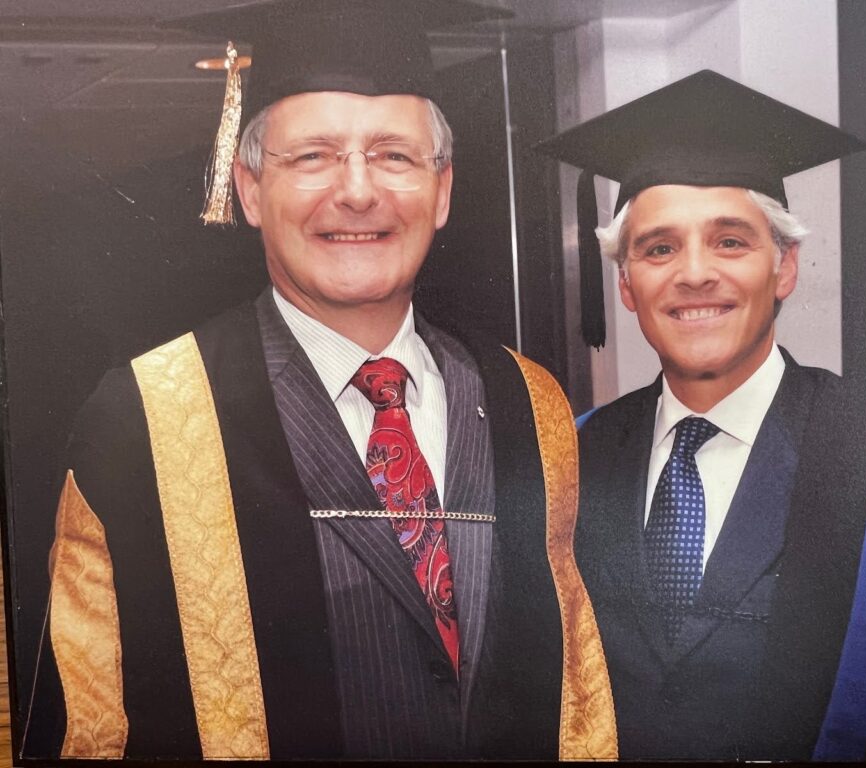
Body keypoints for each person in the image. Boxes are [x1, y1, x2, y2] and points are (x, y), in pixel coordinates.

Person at [21, 1, 614, 761]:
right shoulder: (146, 415)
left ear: (442, 190)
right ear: (249, 188)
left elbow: (579, 702)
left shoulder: (527, 402)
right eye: (313, 157)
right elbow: (86, 728)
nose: (358, 191)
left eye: (395, 156)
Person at [536, 69, 866, 761]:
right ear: (626, 282)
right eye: (659, 248)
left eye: (731, 241)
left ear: (785, 266)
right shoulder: (572, 456)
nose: (695, 273)